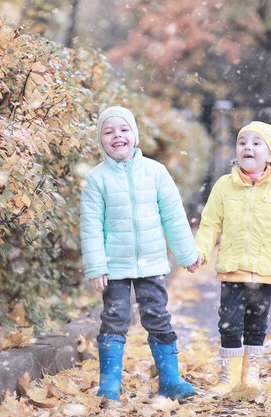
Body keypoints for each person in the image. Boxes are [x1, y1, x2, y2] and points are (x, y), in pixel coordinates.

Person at [79, 106, 199, 402]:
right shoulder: (97, 180)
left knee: (158, 317)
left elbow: (173, 215)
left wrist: (186, 255)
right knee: (114, 319)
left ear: (135, 135)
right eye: (108, 131)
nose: (117, 136)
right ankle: (109, 384)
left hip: (151, 263)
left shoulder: (156, 172)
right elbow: (91, 226)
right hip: (115, 268)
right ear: (101, 140)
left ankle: (170, 380)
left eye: (123, 130)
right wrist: (96, 267)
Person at [189, 121, 271, 394]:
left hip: (266, 273)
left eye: (255, 142)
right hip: (233, 269)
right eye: (242, 142)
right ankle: (230, 377)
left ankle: (250, 376)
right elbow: (210, 223)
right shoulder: (225, 186)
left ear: (269, 155)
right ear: (237, 151)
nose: (248, 147)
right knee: (229, 322)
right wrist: (200, 251)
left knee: (257, 325)